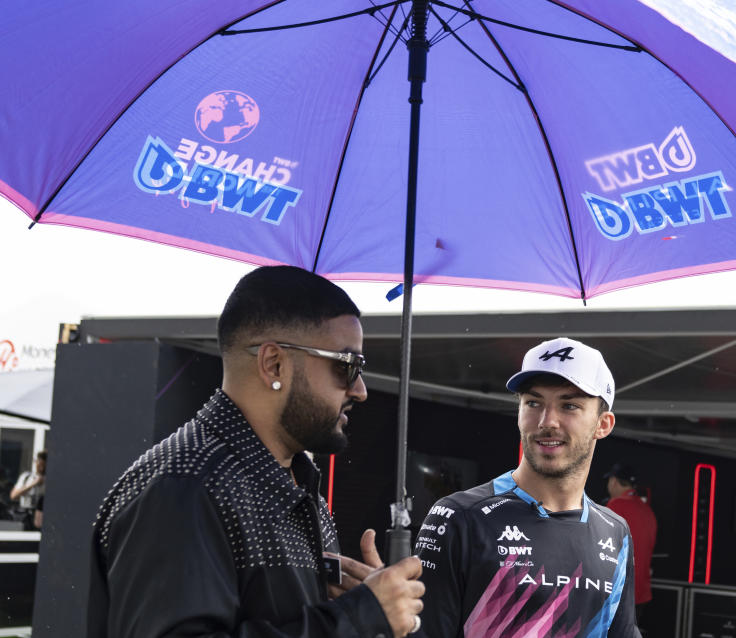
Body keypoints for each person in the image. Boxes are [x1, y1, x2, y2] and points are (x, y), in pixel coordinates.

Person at [87, 266, 425, 638]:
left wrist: (372, 611)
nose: (359, 389)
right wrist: (358, 617)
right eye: (347, 366)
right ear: (273, 363)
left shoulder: (292, 482)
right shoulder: (184, 488)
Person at [413, 337, 641, 637]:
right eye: (533, 403)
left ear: (604, 424)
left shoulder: (615, 531)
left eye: (569, 405)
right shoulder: (459, 517)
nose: (547, 421)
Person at [604, 463, 657, 621]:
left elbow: (603, 549)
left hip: (617, 593)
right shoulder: (647, 510)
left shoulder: (616, 505)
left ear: (613, 481)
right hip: (640, 594)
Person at [10, 449, 45, 530]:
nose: (39, 467)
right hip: (26, 516)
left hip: (41, 516)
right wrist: (33, 484)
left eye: (42, 464)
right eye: (37, 462)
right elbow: (13, 495)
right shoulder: (27, 477)